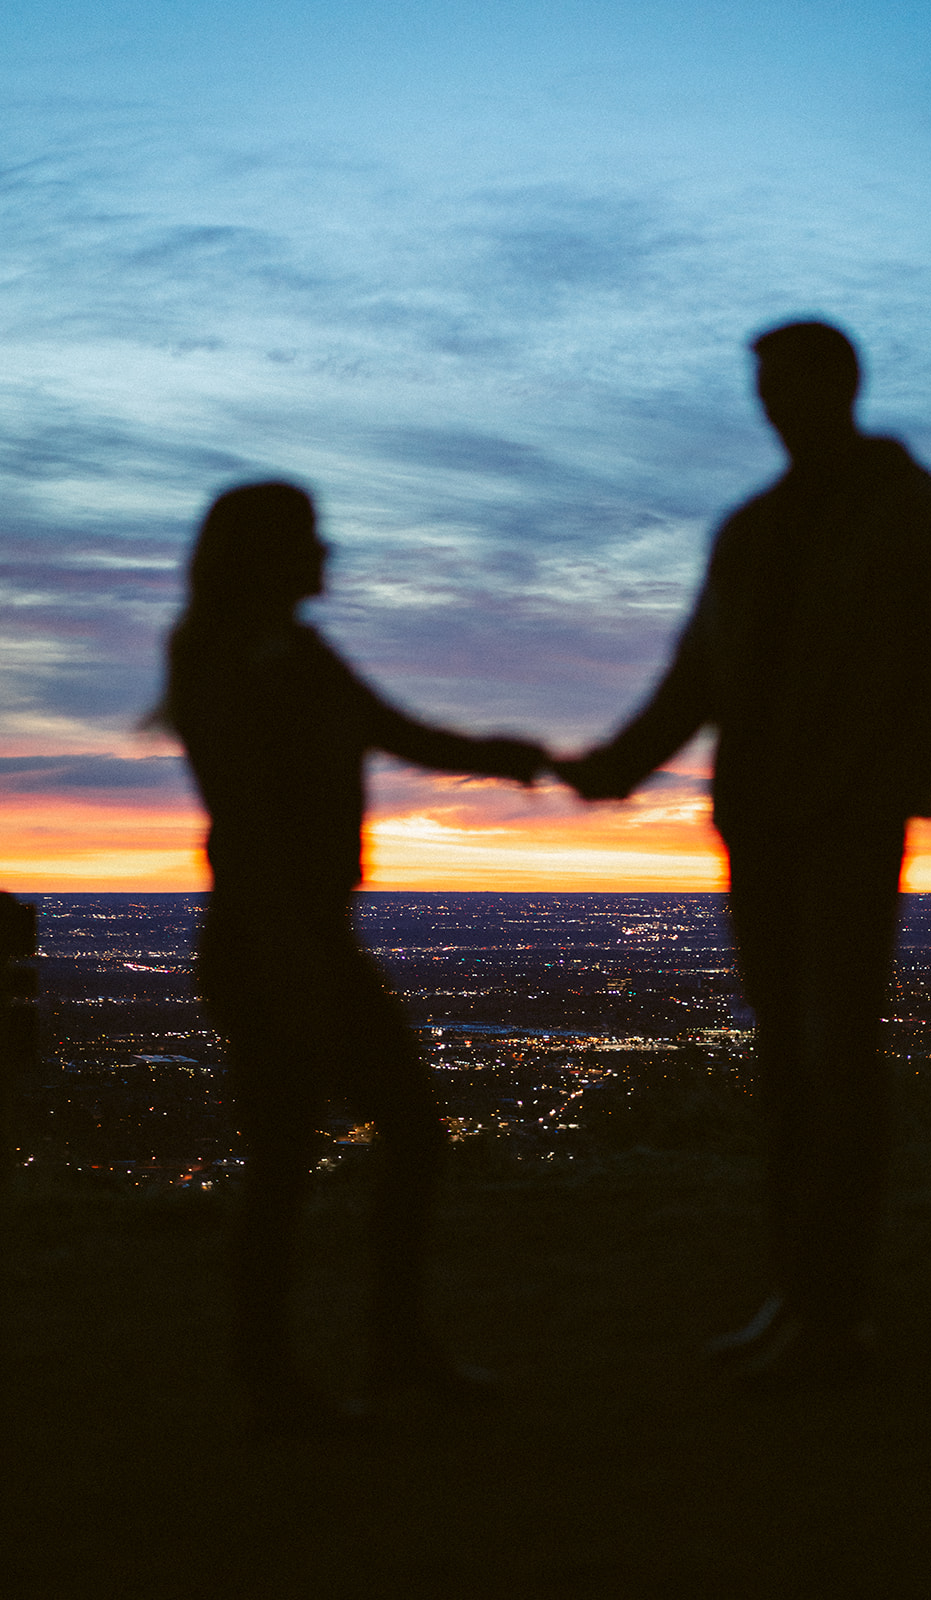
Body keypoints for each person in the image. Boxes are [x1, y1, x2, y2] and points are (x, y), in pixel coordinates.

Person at [556, 322, 931, 1381]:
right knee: (793, 1063)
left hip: (846, 824)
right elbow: (697, 671)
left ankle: (831, 1309)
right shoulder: (751, 529)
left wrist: (878, 777)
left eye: (783, 384)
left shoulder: (916, 517)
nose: (769, 405)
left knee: (831, 1055)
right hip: (756, 822)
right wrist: (614, 764)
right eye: (760, 387)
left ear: (835, 385)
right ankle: (798, 1296)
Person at [160, 481, 543, 1430]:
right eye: (310, 540)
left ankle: (376, 1351)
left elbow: (397, 732)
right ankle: (292, 1374)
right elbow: (252, 814)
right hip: (271, 945)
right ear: (267, 554)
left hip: (302, 939)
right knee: (307, 1152)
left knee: (376, 1140)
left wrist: (521, 759)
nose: (328, 553)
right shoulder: (232, 659)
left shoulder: (290, 653)